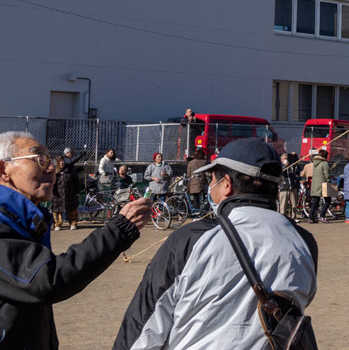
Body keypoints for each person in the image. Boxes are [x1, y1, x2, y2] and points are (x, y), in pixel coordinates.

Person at [112, 138, 318, 350]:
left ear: (226, 184)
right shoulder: (305, 241)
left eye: (212, 179)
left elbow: (144, 324)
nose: (210, 186)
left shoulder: (192, 238)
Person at [0, 130, 150, 350]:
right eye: (39, 159)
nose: (51, 167)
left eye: (51, 160)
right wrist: (118, 230)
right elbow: (46, 279)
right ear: (4, 169)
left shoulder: (23, 220)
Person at [306, 148, 331, 224]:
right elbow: (326, 175)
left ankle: (311, 218)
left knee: (315, 202)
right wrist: (329, 181)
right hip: (323, 184)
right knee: (327, 201)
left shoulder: (315, 163)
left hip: (315, 184)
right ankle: (322, 216)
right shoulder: (324, 163)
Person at [186, 149, 208, 213]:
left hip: (193, 183)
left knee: (195, 198)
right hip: (203, 183)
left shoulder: (191, 163)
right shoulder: (205, 162)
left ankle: (196, 212)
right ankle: (204, 212)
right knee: (204, 199)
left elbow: (188, 174)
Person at [278, 152, 300, 218]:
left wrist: (295, 156)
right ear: (281, 159)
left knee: (293, 205)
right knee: (283, 205)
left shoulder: (292, 166)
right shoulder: (279, 166)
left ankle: (293, 217)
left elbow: (297, 171)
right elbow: (279, 173)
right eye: (284, 158)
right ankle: (282, 217)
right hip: (283, 188)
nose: (286, 160)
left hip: (292, 187)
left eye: (287, 158)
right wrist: (285, 165)